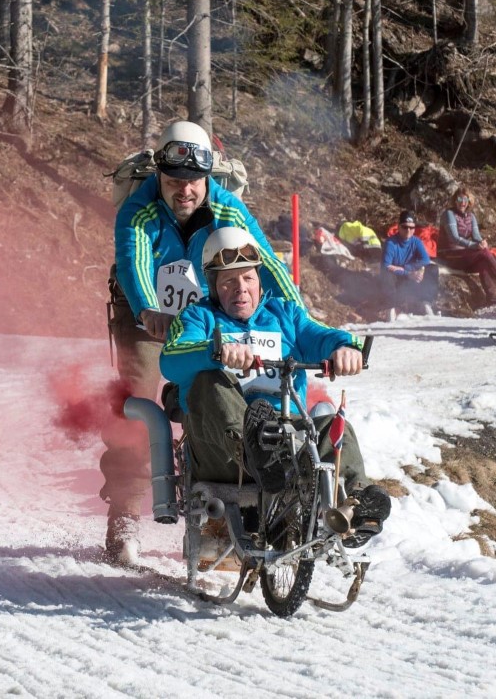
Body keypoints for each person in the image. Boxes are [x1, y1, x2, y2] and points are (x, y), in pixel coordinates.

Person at [104, 120, 299, 564]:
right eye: (174, 182)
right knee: (140, 401)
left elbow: (265, 265)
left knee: (233, 397)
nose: (185, 192)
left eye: (195, 182)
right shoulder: (138, 211)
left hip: (214, 314)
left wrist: (299, 319)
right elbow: (134, 263)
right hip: (147, 317)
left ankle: (226, 515)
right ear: (159, 176)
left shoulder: (229, 209)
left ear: (209, 177)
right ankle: (124, 518)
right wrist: (148, 312)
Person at [160, 227, 392, 546]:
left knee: (334, 427)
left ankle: (357, 508)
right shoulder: (198, 318)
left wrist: (345, 348)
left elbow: (321, 335)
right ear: (213, 285)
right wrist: (213, 352)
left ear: (259, 280)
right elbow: (170, 358)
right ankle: (254, 449)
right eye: (229, 281)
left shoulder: (283, 316)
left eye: (248, 279)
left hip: (286, 443)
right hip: (221, 453)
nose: (240, 289)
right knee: (207, 382)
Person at [439, 189, 496, 304]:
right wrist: (474, 245)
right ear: (455, 200)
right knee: (483, 253)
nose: (462, 202)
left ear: (469, 201)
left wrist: (482, 242)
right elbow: (454, 238)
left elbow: (476, 236)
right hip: (449, 255)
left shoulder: (471, 216)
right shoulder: (449, 214)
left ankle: (492, 297)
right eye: (459, 199)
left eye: (465, 199)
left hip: (463, 255)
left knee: (483, 262)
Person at [381, 210, 439, 318]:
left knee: (432, 268)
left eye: (411, 228)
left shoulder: (416, 241)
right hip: (396, 278)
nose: (408, 230)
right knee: (387, 274)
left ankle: (426, 302)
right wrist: (408, 273)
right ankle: (391, 308)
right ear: (398, 227)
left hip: (409, 275)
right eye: (405, 227)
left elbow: (425, 260)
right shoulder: (391, 243)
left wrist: (415, 270)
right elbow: (386, 266)